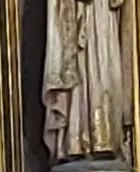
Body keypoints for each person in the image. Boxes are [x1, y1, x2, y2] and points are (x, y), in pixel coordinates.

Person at [43, 0, 129, 162]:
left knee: (104, 71)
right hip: (74, 16)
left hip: (102, 14)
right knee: (78, 79)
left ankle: (104, 138)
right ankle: (75, 142)